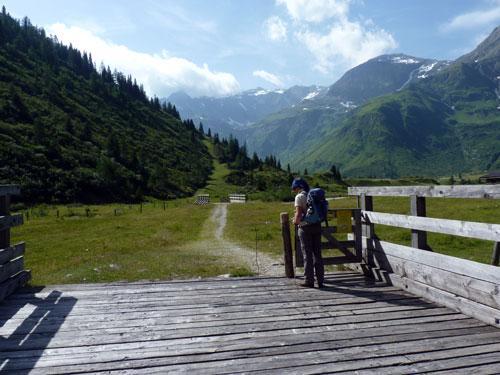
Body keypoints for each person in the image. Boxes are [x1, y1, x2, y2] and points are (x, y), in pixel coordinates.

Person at [291, 177, 324, 288]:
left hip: (305, 228)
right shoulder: (314, 195)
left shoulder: (299, 197)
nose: (294, 190)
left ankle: (309, 280)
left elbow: (298, 214)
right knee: (318, 254)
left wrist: (295, 222)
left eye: (295, 188)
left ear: (299, 187)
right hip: (317, 226)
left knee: (307, 255)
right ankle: (320, 280)